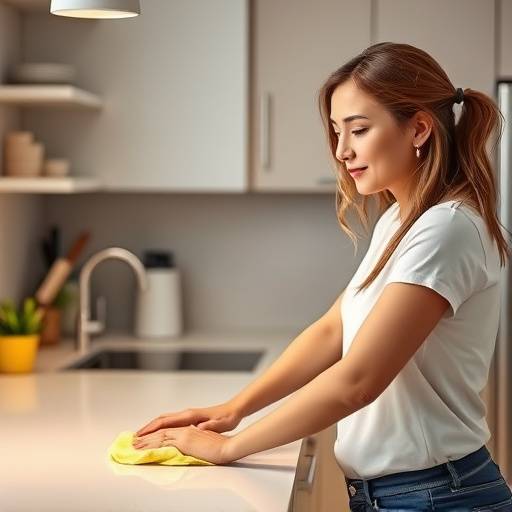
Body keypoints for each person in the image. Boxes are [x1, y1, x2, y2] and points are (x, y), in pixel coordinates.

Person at [133, 42, 512, 511]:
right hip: (406, 495)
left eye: (359, 129)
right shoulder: (402, 220)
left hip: (436, 496)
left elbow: (358, 379)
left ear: (418, 128)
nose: (341, 150)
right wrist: (233, 410)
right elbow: (334, 328)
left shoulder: (447, 227)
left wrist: (231, 446)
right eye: (336, 131)